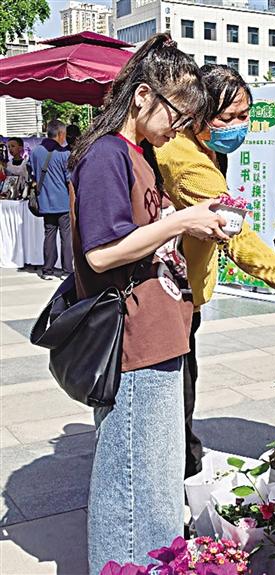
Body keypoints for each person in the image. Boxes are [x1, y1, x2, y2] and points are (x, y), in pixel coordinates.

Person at [67, 33, 228, 574]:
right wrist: (182, 220)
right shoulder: (106, 154)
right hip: (134, 341)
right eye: (176, 115)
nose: (177, 129)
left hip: (159, 333)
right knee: (133, 489)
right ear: (141, 97)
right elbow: (102, 252)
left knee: (155, 484)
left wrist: (191, 220)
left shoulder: (140, 156)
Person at [154, 64, 275, 478]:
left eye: (245, 115)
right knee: (173, 402)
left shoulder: (203, 149)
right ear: (198, 112)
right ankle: (176, 485)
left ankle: (181, 468)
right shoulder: (186, 161)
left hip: (183, 291)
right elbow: (239, 240)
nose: (239, 126)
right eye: (228, 117)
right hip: (169, 298)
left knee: (181, 392)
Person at [29, 120, 74, 279]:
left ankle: (47, 270)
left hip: (45, 201)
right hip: (63, 202)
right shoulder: (64, 154)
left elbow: (32, 173)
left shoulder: (35, 152)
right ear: (61, 134)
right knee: (66, 237)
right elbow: (69, 180)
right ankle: (67, 271)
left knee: (49, 234)